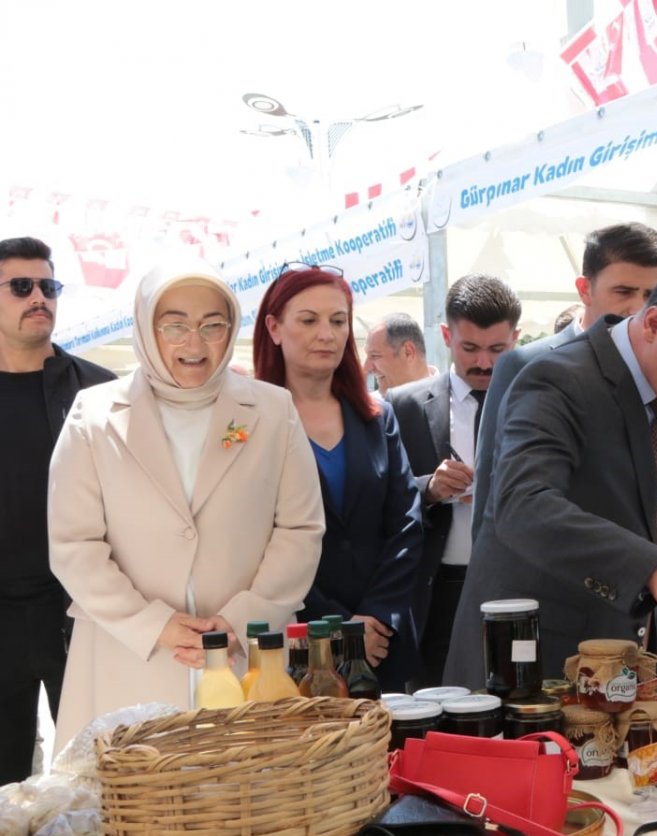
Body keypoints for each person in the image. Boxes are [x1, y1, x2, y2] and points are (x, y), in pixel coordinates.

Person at [47, 261, 325, 753]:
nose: (194, 343)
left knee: (248, 786)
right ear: (145, 327)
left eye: (212, 325)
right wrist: (152, 624)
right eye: (174, 326)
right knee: (133, 787)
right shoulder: (94, 414)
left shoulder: (272, 409)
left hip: (245, 655)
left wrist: (244, 618)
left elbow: (300, 528)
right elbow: (74, 543)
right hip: (128, 654)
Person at [443, 259, 657, 686]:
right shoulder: (556, 378)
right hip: (531, 666)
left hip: (619, 666)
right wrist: (655, 570)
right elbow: (522, 505)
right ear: (654, 323)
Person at [254, 264, 424, 692]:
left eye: (338, 321)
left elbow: (406, 523)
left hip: (382, 642)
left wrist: (376, 616)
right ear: (274, 328)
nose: (326, 334)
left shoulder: (377, 416)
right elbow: (255, 541)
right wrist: (337, 626)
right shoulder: (251, 424)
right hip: (297, 641)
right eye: (309, 320)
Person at [471, 222, 657, 539]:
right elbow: (492, 491)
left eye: (651, 295)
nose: (637, 308)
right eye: (623, 292)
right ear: (584, 289)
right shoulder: (523, 365)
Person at [0, 237, 115, 781]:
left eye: (48, 286)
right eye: (21, 286)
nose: (38, 298)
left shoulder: (100, 390)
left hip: (80, 609)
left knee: (99, 770)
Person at [384, 274, 522, 687]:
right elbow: (384, 497)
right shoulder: (404, 405)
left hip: (517, 585)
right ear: (446, 336)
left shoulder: (537, 398)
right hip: (438, 591)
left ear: (516, 338)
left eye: (497, 349)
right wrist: (429, 487)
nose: (484, 363)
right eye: (470, 349)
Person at [364, 312, 438, 392]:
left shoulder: (447, 396)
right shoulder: (370, 400)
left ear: (408, 352)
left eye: (374, 356)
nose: (366, 367)